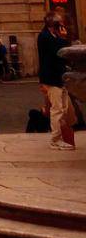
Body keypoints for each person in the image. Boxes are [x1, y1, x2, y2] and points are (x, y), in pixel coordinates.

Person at [39, 12, 77, 151]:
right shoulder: (45, 36)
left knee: (64, 109)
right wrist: (64, 37)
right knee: (57, 110)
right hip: (52, 78)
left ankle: (62, 136)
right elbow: (59, 50)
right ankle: (55, 140)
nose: (62, 25)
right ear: (53, 24)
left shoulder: (52, 35)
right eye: (59, 23)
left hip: (59, 77)